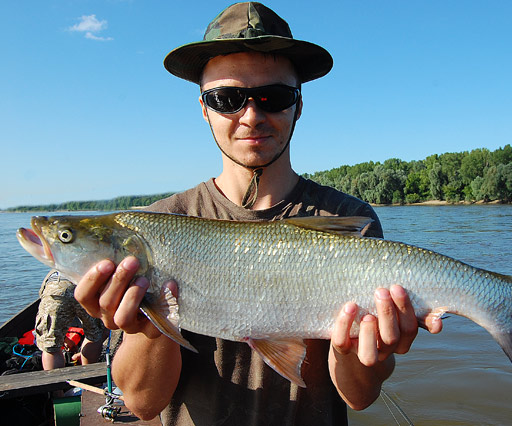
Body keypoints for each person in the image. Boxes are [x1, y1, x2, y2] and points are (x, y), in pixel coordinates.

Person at [74, 2, 443, 424]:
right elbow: (143, 404)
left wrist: (352, 349)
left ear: (298, 106)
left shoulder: (349, 216)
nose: (251, 115)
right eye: (227, 98)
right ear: (203, 110)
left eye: (274, 97)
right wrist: (149, 324)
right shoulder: (161, 223)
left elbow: (359, 397)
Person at [35, 270, 106, 370]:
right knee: (94, 336)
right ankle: (90, 377)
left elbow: (55, 323)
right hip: (86, 288)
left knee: (51, 347)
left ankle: (55, 383)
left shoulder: (55, 269)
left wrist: (64, 339)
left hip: (56, 289)